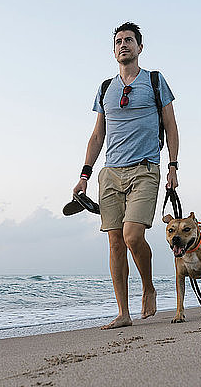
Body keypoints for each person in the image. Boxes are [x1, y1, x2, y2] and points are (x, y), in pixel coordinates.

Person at [73, 22, 179, 330]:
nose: (124, 45)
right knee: (115, 243)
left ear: (140, 47)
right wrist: (84, 175)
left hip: (145, 169)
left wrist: (173, 166)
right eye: (119, 41)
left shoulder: (155, 82)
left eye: (129, 40)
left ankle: (148, 286)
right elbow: (97, 136)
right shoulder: (105, 88)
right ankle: (123, 313)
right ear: (114, 49)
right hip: (110, 173)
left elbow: (171, 126)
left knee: (133, 235)